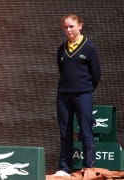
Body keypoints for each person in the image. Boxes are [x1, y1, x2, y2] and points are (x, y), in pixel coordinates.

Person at [54, 14, 101, 176]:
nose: (68, 30)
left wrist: (85, 89)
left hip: (83, 95)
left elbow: (96, 74)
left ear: (80, 26)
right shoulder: (61, 49)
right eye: (66, 27)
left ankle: (88, 167)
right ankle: (65, 167)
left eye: (71, 26)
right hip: (63, 96)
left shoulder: (89, 47)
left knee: (86, 131)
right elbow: (63, 71)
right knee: (65, 131)